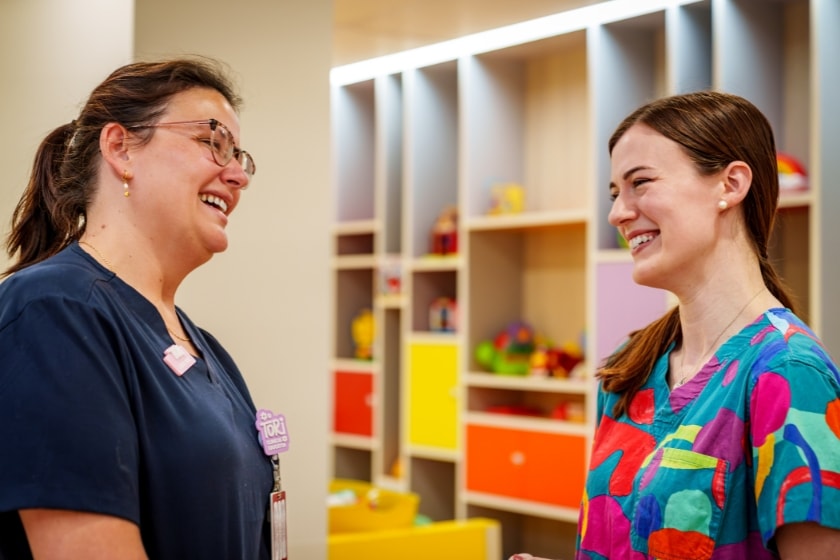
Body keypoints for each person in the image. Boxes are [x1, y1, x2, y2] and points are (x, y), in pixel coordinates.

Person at [511, 91, 840, 560]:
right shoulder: (631, 365)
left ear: (730, 184)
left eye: (640, 183)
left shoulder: (788, 373)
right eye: (614, 194)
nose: (617, 213)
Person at [0, 57, 272, 559]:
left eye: (240, 157)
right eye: (213, 142)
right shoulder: (54, 310)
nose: (237, 176)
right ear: (121, 148)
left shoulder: (203, 347)